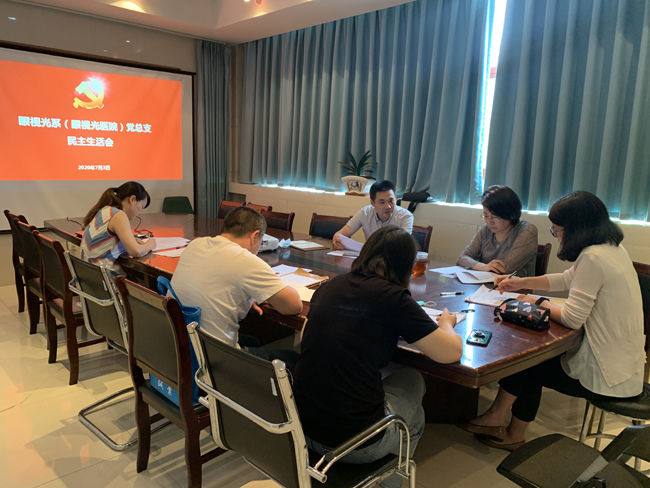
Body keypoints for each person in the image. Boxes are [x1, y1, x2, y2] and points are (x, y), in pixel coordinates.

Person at [458, 191, 645, 451]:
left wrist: (533, 300)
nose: (556, 235)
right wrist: (520, 283)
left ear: (575, 229)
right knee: (532, 360)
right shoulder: (611, 248)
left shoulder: (594, 257)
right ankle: (499, 420)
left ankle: (507, 428)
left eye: (556, 230)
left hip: (606, 374)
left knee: (529, 363)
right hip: (626, 365)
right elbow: (568, 278)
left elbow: (571, 318)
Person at [294, 226, 463, 488]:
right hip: (353, 446)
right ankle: (386, 481)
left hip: (302, 430)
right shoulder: (394, 298)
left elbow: (308, 338)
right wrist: (447, 324)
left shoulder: (330, 285)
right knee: (413, 383)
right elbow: (450, 352)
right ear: (406, 265)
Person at [170, 206, 303, 368]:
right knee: (294, 359)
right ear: (255, 236)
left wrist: (249, 296)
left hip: (181, 346)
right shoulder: (245, 260)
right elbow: (294, 306)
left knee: (253, 341)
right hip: (215, 360)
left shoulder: (195, 244)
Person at [457, 185, 538, 277]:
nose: (490, 222)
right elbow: (462, 258)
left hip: (515, 285)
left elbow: (505, 269)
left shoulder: (527, 232)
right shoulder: (485, 230)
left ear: (511, 215)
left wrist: (477, 266)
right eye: (486, 216)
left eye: (495, 217)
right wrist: (484, 267)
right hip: (485, 283)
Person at [81, 181, 156, 276]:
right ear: (132, 199)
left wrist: (130, 241)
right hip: (104, 279)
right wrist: (150, 244)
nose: (140, 213)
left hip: (90, 277)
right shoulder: (119, 215)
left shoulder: (105, 210)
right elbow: (136, 251)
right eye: (141, 206)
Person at [332, 180, 413, 250]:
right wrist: (337, 242)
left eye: (391, 201)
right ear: (372, 203)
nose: (388, 206)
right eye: (382, 202)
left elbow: (403, 246)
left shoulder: (406, 216)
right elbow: (338, 235)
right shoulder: (365, 212)